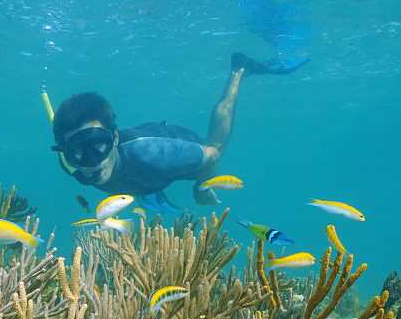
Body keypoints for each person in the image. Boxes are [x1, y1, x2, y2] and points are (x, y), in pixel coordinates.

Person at [50, 53, 305, 211]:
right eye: (77, 153)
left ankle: (240, 70)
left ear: (114, 138)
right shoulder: (69, 164)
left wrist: (202, 187)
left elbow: (211, 156)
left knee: (217, 146)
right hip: (148, 178)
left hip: (176, 148)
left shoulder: (155, 155)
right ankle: (151, 192)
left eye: (99, 145)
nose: (92, 162)